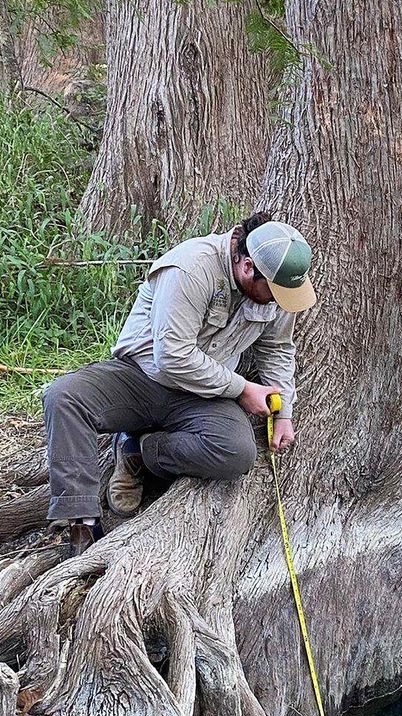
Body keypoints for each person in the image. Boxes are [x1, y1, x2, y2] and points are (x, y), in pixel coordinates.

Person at [42, 213, 316, 555]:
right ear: (247, 266)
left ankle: (140, 452)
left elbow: (276, 349)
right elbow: (173, 356)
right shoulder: (191, 267)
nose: (278, 301)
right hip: (141, 378)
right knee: (64, 397)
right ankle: (80, 523)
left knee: (236, 453)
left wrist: (284, 411)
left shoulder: (278, 286)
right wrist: (243, 389)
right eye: (272, 292)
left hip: (204, 395)